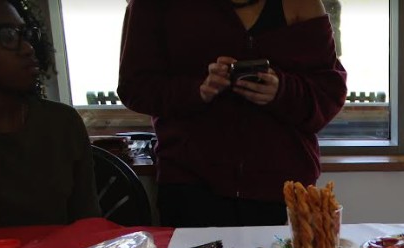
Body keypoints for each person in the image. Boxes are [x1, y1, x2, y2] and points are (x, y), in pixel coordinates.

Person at [117, 0, 347, 228]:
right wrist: (197, 91)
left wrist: (282, 91)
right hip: (191, 183)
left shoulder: (303, 4)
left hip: (284, 185)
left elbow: (329, 92)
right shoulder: (154, 6)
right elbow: (134, 87)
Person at [0, 0, 99, 231]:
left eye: (27, 35)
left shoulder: (62, 124)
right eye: (8, 36)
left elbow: (88, 228)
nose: (28, 48)